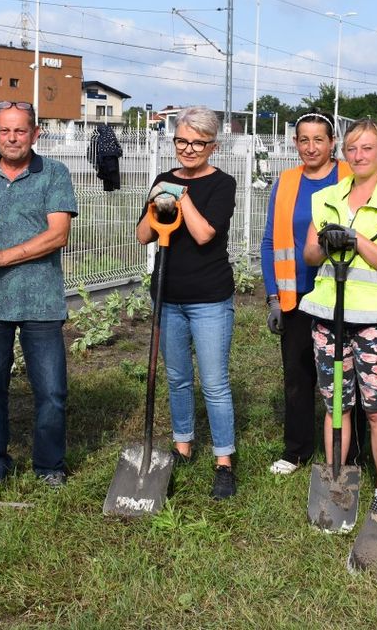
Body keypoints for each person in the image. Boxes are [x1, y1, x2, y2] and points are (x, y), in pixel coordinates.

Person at [0, 100, 77, 488]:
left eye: (20, 130)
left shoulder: (54, 173)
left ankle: (49, 467)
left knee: (51, 391)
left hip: (41, 301)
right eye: (4, 131)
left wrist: (3, 256)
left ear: (35, 133)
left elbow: (58, 235)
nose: (12, 138)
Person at [299, 119, 377, 519]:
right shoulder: (327, 196)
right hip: (330, 315)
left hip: (376, 320)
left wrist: (356, 240)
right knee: (337, 405)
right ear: (344, 154)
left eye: (367, 148)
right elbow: (310, 257)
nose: (359, 156)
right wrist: (324, 242)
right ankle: (337, 476)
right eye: (352, 149)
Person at [136, 106, 238, 500]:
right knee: (177, 377)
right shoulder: (162, 179)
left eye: (198, 142)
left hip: (209, 298)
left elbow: (202, 234)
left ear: (213, 146)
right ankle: (183, 447)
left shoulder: (222, 184)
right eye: (182, 141)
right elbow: (144, 234)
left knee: (213, 382)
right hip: (167, 295)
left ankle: (224, 462)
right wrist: (157, 200)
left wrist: (182, 197)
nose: (189, 149)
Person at [260, 111, 351, 475]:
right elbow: (270, 242)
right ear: (295, 143)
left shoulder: (350, 176)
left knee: (344, 378)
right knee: (298, 376)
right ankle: (296, 450)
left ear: (332, 143)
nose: (311, 147)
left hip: (340, 294)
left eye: (319, 140)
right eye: (303, 140)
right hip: (295, 295)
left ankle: (350, 453)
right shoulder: (286, 182)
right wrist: (272, 297)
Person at [87, 121, 123, 192]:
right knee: (111, 176)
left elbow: (92, 148)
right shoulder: (111, 135)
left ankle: (108, 190)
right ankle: (111, 189)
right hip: (112, 161)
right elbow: (119, 148)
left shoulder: (98, 136)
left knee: (107, 176)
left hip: (103, 161)